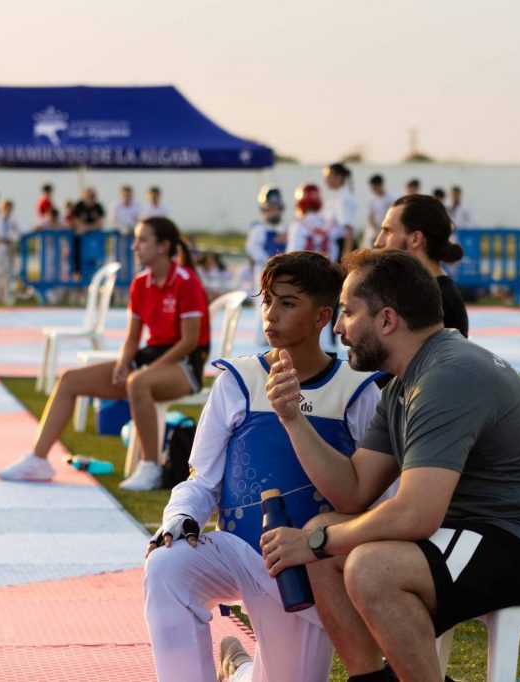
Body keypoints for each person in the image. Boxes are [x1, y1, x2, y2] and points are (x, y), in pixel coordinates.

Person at [260, 250, 520, 682]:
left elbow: (416, 514)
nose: (338, 327)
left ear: (387, 320)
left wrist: (316, 541)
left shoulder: (445, 377)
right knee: (326, 536)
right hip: (482, 533)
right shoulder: (406, 382)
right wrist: (292, 418)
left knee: (368, 566)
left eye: (349, 313)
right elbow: (353, 490)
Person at [143, 251, 382, 682]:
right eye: (268, 300)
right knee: (166, 566)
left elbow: (378, 492)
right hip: (236, 551)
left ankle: (238, 668)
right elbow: (203, 480)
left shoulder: (357, 390)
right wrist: (180, 516)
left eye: (288, 303)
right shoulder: (237, 381)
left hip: (307, 566)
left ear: (322, 316)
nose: (270, 314)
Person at [0, 217, 210, 490]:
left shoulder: (186, 281)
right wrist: (123, 363)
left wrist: (150, 368)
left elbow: (190, 341)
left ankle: (151, 467)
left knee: (138, 382)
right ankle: (38, 459)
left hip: (184, 366)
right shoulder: (140, 284)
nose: (134, 246)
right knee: (69, 380)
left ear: (163, 246)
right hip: (150, 360)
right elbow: (132, 337)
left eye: (142, 240)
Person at [373, 194, 468, 337]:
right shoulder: (422, 293)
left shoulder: (437, 301)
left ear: (416, 239)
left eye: (388, 231)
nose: (378, 242)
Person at [245, 185, 287, 295]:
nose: (273, 212)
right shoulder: (259, 229)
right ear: (264, 210)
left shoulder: (286, 229)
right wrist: (270, 263)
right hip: (266, 275)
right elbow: (252, 248)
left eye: (276, 208)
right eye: (270, 209)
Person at [0, 200, 23, 307]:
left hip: (10, 247)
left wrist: (13, 240)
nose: (7, 210)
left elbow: (21, 231)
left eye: (9, 208)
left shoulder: (14, 220)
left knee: (9, 273)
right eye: (5, 207)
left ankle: (8, 298)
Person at [323, 163, 358, 261]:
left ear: (339, 177)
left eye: (328, 176)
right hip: (333, 246)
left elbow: (349, 229)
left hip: (342, 246)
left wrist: (345, 258)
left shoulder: (344, 199)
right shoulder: (334, 196)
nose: (325, 179)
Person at [286, 184, 330, 258]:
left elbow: (292, 254)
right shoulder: (327, 221)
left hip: (305, 264)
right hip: (327, 264)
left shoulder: (298, 225)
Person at [71, 188, 105, 276]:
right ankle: (77, 274)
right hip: (80, 240)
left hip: (94, 241)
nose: (91, 198)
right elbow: (76, 222)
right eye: (89, 196)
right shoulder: (79, 206)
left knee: (95, 259)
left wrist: (87, 228)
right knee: (77, 258)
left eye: (93, 196)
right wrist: (89, 227)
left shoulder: (98, 207)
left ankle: (96, 275)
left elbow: (100, 223)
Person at [364, 175, 394, 249]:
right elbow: (370, 217)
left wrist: (384, 230)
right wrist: (377, 231)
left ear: (379, 185)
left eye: (374, 186)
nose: (372, 189)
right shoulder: (371, 199)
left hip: (387, 230)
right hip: (373, 231)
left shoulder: (390, 197)